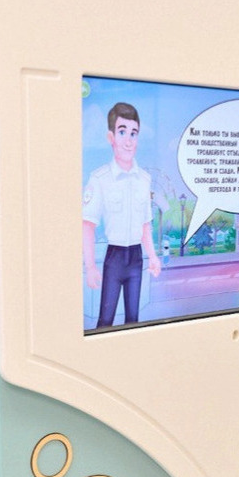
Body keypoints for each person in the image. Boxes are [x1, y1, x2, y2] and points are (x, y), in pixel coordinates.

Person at [83, 102, 161, 328]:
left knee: (133, 321)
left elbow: (145, 225)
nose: (128, 141)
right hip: (114, 258)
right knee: (105, 321)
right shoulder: (100, 179)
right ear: (111, 137)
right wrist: (90, 267)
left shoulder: (144, 179)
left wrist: (152, 256)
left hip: (136, 258)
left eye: (133, 133)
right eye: (122, 132)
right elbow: (87, 225)